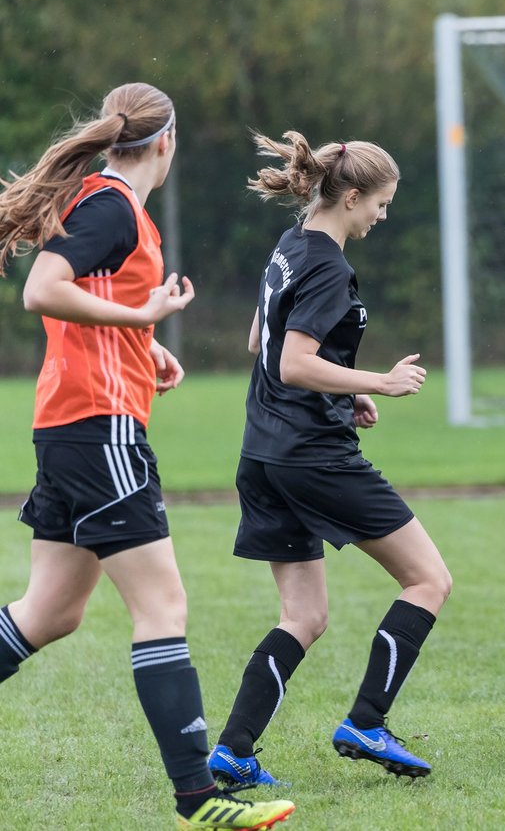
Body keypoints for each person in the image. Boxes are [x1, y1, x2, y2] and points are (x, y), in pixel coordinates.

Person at [0, 83, 295, 830]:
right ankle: (198, 800)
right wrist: (140, 316)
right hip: (99, 431)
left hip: (72, 425)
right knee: (162, 607)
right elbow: (44, 289)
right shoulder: (111, 206)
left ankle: (197, 797)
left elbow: (84, 302)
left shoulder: (105, 202)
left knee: (52, 611)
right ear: (166, 142)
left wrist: (145, 344)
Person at [207, 131, 451, 784]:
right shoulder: (328, 265)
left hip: (263, 452)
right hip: (311, 457)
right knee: (429, 581)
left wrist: (339, 399)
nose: (382, 214)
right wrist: (378, 382)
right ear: (351, 195)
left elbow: (260, 339)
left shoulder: (289, 248)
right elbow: (292, 361)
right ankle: (367, 722)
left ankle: (232, 752)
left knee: (304, 617)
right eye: (381, 203)